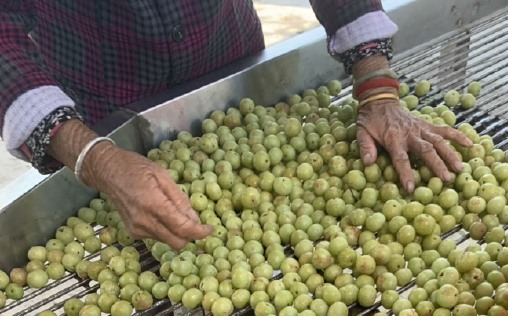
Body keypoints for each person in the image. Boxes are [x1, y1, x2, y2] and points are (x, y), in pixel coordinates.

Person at [0, 1, 469, 249]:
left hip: (231, 67)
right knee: (151, 248)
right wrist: (93, 155)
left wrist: (377, 83)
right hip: (104, 105)